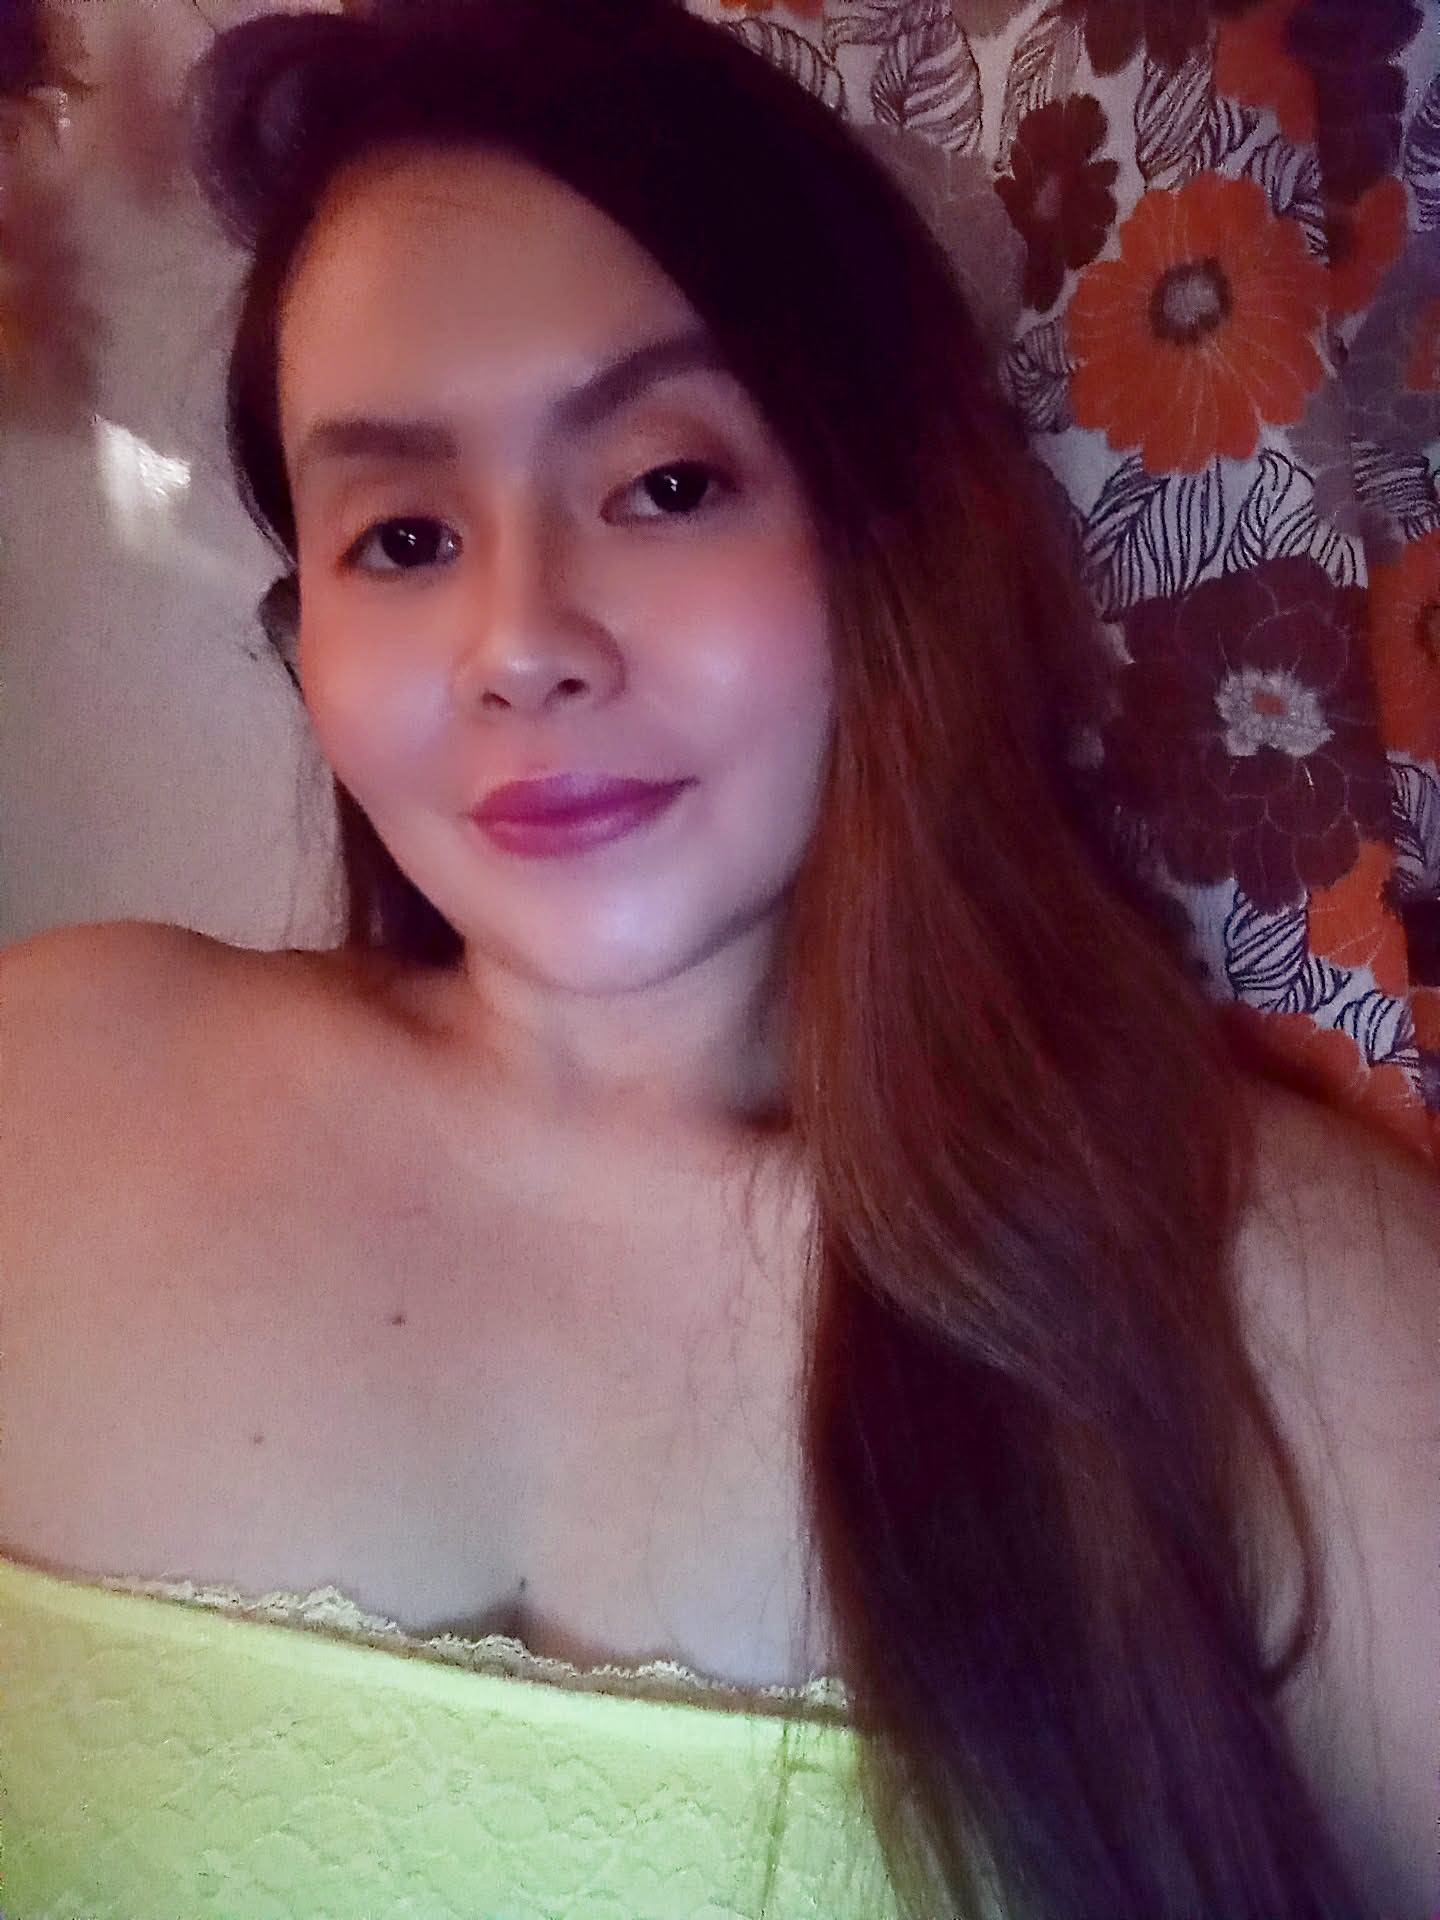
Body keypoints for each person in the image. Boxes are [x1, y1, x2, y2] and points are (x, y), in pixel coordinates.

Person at [1, 1, 1435, 1915]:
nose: (523, 643)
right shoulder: (50, 1091)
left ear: (886, 535)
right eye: (404, 535)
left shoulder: (1284, 1303)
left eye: (666, 485)